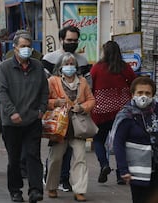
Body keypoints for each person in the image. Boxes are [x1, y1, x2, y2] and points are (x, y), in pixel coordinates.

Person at [0, 30, 48, 202]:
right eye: (23, 46)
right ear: (15, 47)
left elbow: (44, 91)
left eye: (29, 46)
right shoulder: (4, 67)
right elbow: (1, 92)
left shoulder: (37, 66)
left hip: (33, 119)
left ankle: (35, 190)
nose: (27, 49)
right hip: (11, 122)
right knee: (15, 157)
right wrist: (12, 112)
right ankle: (15, 190)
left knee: (33, 154)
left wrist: (41, 109)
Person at [41, 25, 89, 192]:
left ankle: (66, 180)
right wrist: (54, 103)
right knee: (56, 151)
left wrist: (83, 106)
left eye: (75, 40)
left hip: (76, 116)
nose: (72, 43)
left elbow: (87, 86)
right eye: (69, 40)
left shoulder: (82, 61)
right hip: (58, 116)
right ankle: (52, 179)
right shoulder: (49, 58)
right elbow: (44, 88)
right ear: (61, 39)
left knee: (76, 152)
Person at [45, 52, 95, 202]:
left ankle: (79, 190)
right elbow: (45, 100)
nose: (69, 67)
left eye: (72, 64)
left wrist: (83, 107)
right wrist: (56, 103)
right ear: (60, 67)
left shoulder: (82, 82)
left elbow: (91, 100)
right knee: (55, 158)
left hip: (78, 125)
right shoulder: (52, 81)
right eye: (66, 64)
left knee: (80, 158)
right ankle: (52, 186)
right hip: (60, 126)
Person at [90, 40, 136, 184]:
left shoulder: (97, 68)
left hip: (101, 112)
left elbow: (90, 86)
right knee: (120, 142)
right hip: (122, 112)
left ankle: (104, 164)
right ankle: (121, 175)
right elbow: (134, 83)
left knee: (98, 140)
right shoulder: (125, 68)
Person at [112, 77, 158, 203]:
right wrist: (123, 169)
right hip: (138, 171)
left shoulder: (156, 111)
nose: (143, 96)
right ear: (133, 94)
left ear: (153, 95)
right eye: (140, 93)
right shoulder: (126, 116)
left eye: (147, 93)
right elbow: (118, 143)